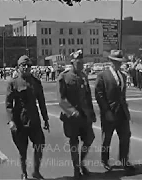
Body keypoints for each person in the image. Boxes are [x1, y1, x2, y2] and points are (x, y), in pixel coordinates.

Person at [5, 55, 50, 180]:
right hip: (20, 120)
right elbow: (8, 104)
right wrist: (11, 121)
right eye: (23, 65)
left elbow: (41, 101)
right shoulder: (13, 83)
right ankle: (24, 172)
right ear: (18, 67)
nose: (26, 67)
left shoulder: (36, 82)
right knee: (22, 149)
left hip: (34, 119)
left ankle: (36, 171)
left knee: (39, 145)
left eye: (28, 65)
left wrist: (46, 119)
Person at [57, 50, 96, 179]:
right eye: (78, 63)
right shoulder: (64, 77)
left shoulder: (83, 76)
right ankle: (76, 168)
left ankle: (81, 161)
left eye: (82, 62)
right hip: (71, 117)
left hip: (84, 115)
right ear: (72, 63)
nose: (81, 65)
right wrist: (72, 111)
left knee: (89, 138)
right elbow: (61, 99)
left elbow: (88, 96)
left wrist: (92, 113)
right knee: (74, 142)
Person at [95, 50, 136, 172]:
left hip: (122, 112)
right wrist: (106, 110)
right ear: (111, 62)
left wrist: (126, 111)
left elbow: (122, 95)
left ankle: (124, 160)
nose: (118, 64)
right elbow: (99, 95)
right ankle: (105, 160)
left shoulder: (123, 75)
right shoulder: (103, 76)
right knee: (107, 138)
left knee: (125, 136)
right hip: (110, 112)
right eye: (116, 62)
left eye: (120, 62)